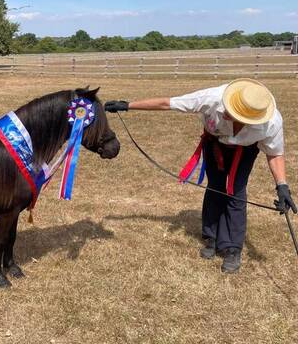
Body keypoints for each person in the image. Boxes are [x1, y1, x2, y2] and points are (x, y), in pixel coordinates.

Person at [105, 78, 297, 273]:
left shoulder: (271, 122)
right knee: (215, 186)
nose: (229, 116)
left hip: (244, 151)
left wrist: (282, 186)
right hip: (214, 144)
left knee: (236, 191)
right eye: (232, 111)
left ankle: (232, 248)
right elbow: (168, 103)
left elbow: (274, 153)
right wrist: (127, 105)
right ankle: (211, 237)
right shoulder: (211, 98)